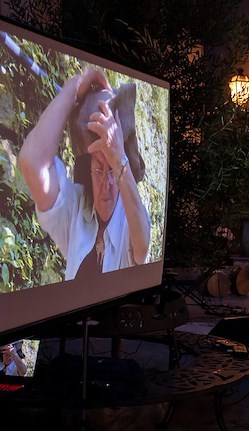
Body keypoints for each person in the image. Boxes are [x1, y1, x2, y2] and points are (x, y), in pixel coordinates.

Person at [18, 67, 150, 280]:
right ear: (87, 169)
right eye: (99, 169)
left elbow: (142, 247)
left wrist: (118, 160)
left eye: (113, 171)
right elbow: (32, 162)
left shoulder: (131, 218)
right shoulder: (76, 210)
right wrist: (74, 89)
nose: (106, 184)